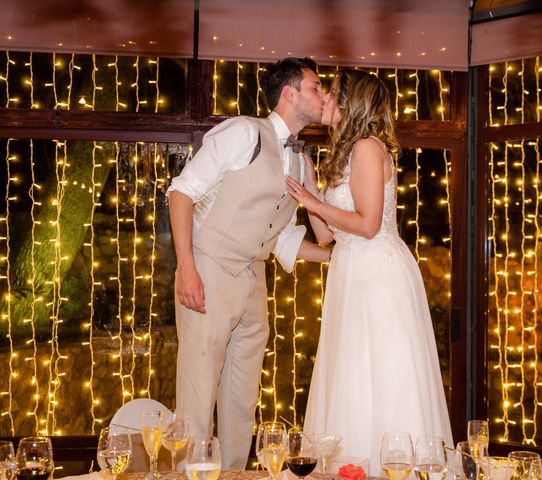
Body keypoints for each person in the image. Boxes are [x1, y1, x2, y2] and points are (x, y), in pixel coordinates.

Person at [286, 69, 454, 475]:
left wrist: (317, 199)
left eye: (332, 92)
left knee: (382, 371)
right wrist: (311, 191)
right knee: (351, 376)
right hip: (350, 272)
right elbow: (327, 234)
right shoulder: (343, 153)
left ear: (351, 103)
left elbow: (367, 224)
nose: (324, 98)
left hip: (379, 277)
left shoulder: (367, 146)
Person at [167, 57, 331, 470]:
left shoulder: (300, 159)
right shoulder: (243, 132)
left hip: (255, 279)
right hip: (210, 268)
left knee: (242, 399)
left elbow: (282, 237)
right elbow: (181, 192)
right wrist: (188, 268)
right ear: (289, 93)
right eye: (316, 86)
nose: (323, 94)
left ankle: (235, 475)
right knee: (198, 394)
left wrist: (340, 258)